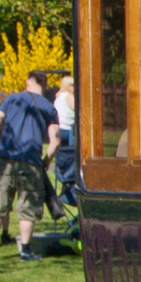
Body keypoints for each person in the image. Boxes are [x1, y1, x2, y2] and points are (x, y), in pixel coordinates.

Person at [0, 69, 61, 261]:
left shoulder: (12, 99)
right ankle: (25, 250)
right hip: (31, 160)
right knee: (28, 205)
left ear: (27, 82)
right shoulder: (49, 108)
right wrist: (46, 160)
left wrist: (0, 141)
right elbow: (56, 141)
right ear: (45, 85)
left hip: (6, 157)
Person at [52, 74, 79, 215]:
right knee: (76, 151)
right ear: (69, 86)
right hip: (66, 130)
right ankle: (69, 176)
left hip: (58, 129)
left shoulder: (59, 96)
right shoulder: (68, 96)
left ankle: (65, 174)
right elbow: (79, 110)